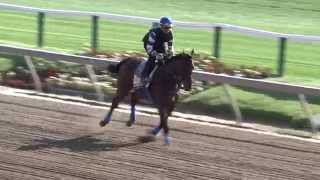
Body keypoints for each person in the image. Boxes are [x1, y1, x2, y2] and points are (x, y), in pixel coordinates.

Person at [140, 16, 175, 85]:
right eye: (166, 28)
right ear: (161, 26)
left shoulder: (170, 33)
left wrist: (170, 52)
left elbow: (170, 45)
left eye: (169, 27)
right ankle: (144, 76)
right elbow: (149, 46)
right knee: (153, 58)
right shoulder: (154, 33)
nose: (168, 29)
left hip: (160, 43)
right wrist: (155, 54)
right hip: (149, 44)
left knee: (166, 58)